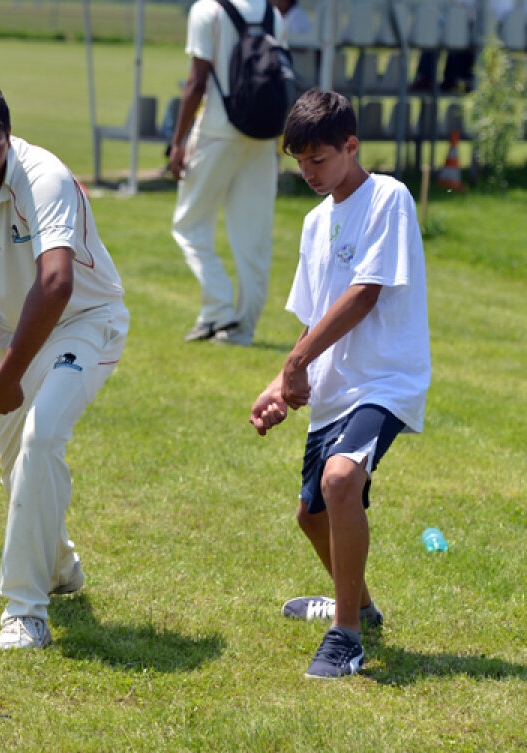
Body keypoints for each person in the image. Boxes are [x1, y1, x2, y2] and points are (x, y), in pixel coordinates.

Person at [0, 81, 131, 650]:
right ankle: (60, 566)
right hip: (12, 329)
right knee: (19, 469)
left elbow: (57, 281)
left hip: (86, 321)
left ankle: (24, 610)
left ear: (8, 139)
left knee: (41, 441)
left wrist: (8, 378)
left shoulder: (45, 177)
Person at [249, 89, 430, 678]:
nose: (308, 172)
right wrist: (281, 380)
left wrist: (299, 361)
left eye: (319, 159)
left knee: (342, 479)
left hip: (385, 381)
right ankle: (365, 608)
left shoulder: (388, 198)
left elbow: (363, 294)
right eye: (299, 161)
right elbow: (315, 311)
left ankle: (345, 634)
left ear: (352, 147)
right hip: (332, 390)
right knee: (311, 515)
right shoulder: (313, 221)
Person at [169, 0, 288, 346]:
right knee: (254, 238)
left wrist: (177, 142)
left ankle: (219, 310)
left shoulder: (208, 10)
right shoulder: (274, 16)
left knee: (189, 224)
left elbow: (196, 82)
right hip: (262, 136)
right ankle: (243, 329)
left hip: (217, 133)